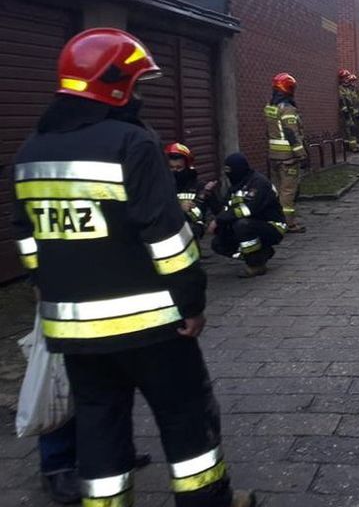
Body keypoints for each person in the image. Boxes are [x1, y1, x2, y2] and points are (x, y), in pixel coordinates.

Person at [11, 28, 253, 507]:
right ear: (115, 83)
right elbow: (166, 237)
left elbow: (28, 237)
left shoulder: (30, 152)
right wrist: (191, 302)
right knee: (185, 416)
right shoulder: (132, 142)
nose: (139, 93)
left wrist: (46, 285)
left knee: (99, 424)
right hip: (151, 326)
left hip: (73, 329)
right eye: (136, 83)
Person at [209, 152, 287, 278]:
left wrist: (219, 219)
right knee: (218, 243)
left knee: (242, 224)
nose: (229, 176)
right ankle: (261, 253)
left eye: (231, 172)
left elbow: (248, 210)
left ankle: (256, 265)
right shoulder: (236, 186)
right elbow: (225, 209)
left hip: (272, 225)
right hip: (250, 225)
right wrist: (210, 195)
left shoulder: (259, 183)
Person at [264, 72, 306, 233]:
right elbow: (291, 133)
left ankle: (274, 218)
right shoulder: (287, 109)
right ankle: (288, 223)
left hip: (274, 156)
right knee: (288, 191)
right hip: (288, 158)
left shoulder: (270, 108)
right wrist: (301, 154)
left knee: (276, 189)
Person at [165, 142, 218, 240]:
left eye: (179, 167)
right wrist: (178, 208)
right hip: (169, 234)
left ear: (187, 167)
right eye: (171, 167)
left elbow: (217, 213)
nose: (175, 171)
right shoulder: (161, 188)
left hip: (199, 237)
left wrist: (213, 222)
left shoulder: (201, 187)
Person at [338, 69, 359, 153]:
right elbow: (341, 100)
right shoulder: (341, 88)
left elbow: (354, 101)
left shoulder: (349, 89)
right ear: (341, 79)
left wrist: (356, 112)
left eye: (347, 77)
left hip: (351, 112)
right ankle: (351, 147)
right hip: (345, 113)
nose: (347, 79)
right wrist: (345, 110)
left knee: (351, 129)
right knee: (349, 129)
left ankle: (351, 146)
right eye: (345, 78)